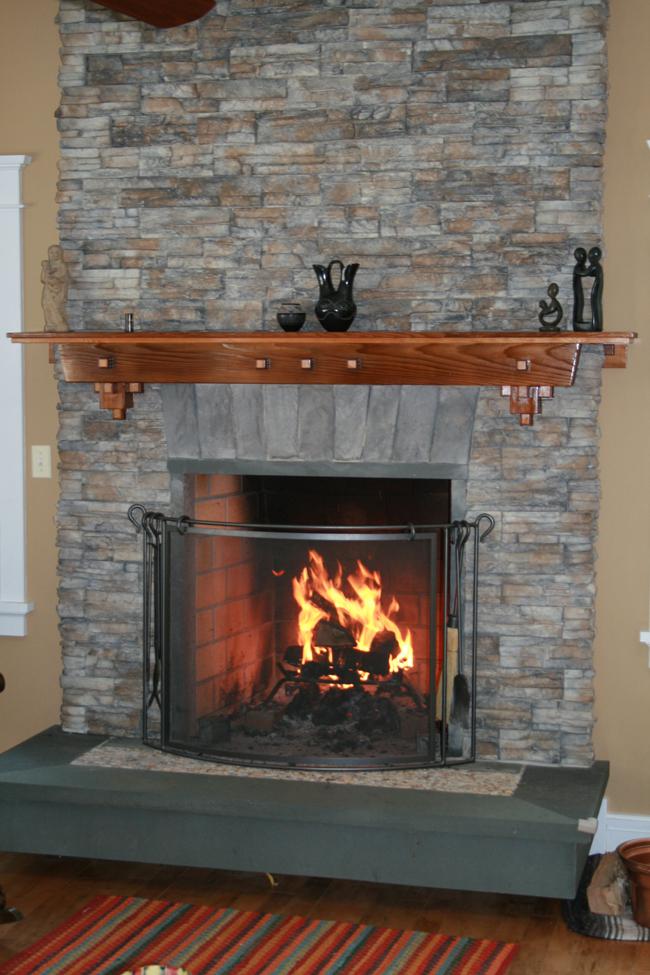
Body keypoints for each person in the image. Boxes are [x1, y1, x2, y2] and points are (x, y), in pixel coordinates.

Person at [41, 244, 69, 330]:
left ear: (60, 254)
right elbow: (43, 278)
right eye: (51, 252)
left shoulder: (62, 266)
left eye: (57, 252)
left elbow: (61, 277)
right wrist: (45, 268)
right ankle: (50, 324)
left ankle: (60, 324)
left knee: (56, 307)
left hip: (58, 291)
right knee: (46, 305)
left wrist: (51, 276)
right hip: (48, 291)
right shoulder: (47, 266)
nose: (54, 254)